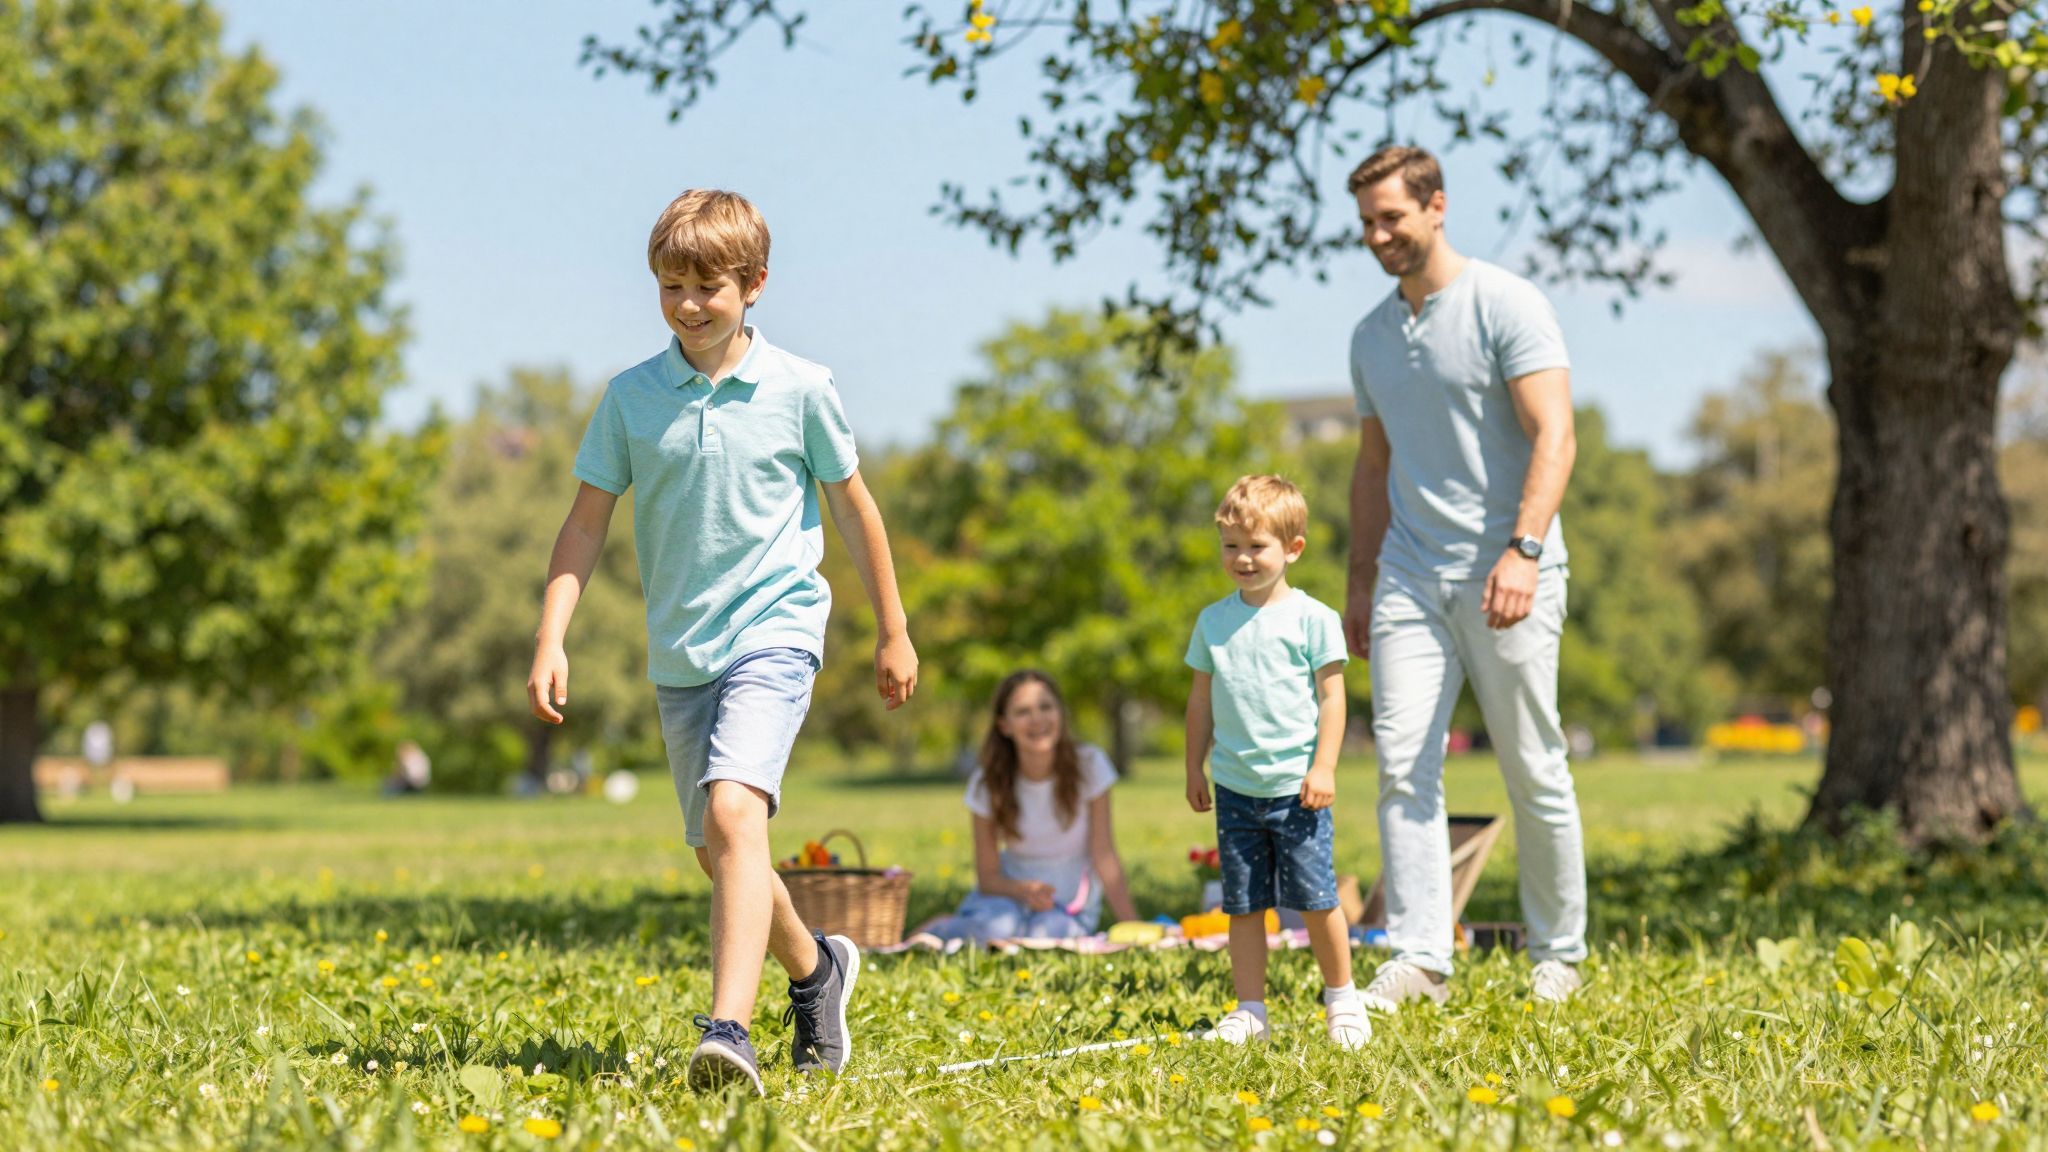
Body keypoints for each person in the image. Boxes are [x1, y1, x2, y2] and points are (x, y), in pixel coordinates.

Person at [526, 189, 919, 1095]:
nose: (689, 305)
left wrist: (893, 629)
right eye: (671, 286)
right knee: (719, 850)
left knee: (738, 815)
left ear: (755, 285)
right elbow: (583, 526)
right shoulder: (630, 399)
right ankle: (818, 974)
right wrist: (553, 633)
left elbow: (855, 514)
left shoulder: (801, 389)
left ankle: (728, 1032)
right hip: (683, 650)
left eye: (708, 286)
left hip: (775, 627)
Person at [1342, 145, 1587, 1011]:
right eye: (1367, 223)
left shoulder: (1506, 303)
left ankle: (1559, 954)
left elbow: (1555, 433)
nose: (1378, 236)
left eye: (1392, 218)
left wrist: (1523, 549)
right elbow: (1373, 469)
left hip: (1507, 569)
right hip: (1410, 573)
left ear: (1436, 206)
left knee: (1533, 763)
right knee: (1403, 764)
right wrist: (1360, 582)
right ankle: (1420, 957)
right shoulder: (1371, 336)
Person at [1184, 475, 1368, 1049]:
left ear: (1292, 549)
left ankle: (1342, 1000)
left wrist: (1325, 766)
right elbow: (1199, 701)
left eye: (1255, 546)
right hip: (1237, 789)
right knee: (1243, 907)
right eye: (1231, 546)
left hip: (1298, 788)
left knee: (1316, 901)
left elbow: (1333, 698)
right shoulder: (1213, 622)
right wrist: (1195, 766)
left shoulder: (1314, 618)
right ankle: (1250, 1010)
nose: (1241, 558)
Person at [923, 670, 1139, 943]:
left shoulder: (1091, 765)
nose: (1037, 719)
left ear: (1060, 713)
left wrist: (1132, 926)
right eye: (1023, 712)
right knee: (994, 930)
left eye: (1046, 707)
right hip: (1005, 901)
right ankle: (939, 929)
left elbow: (1104, 854)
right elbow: (988, 876)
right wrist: (1022, 890)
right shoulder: (987, 783)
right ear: (1004, 725)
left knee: (1048, 935)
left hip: (1067, 909)